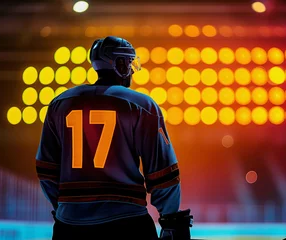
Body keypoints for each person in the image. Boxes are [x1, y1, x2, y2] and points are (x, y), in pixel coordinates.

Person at [35, 36, 192, 240]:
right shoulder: (142, 105)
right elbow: (163, 172)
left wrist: (67, 207)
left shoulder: (59, 104)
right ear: (119, 64)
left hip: (70, 224)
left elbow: (46, 169)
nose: (131, 69)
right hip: (126, 222)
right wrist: (169, 218)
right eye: (128, 62)